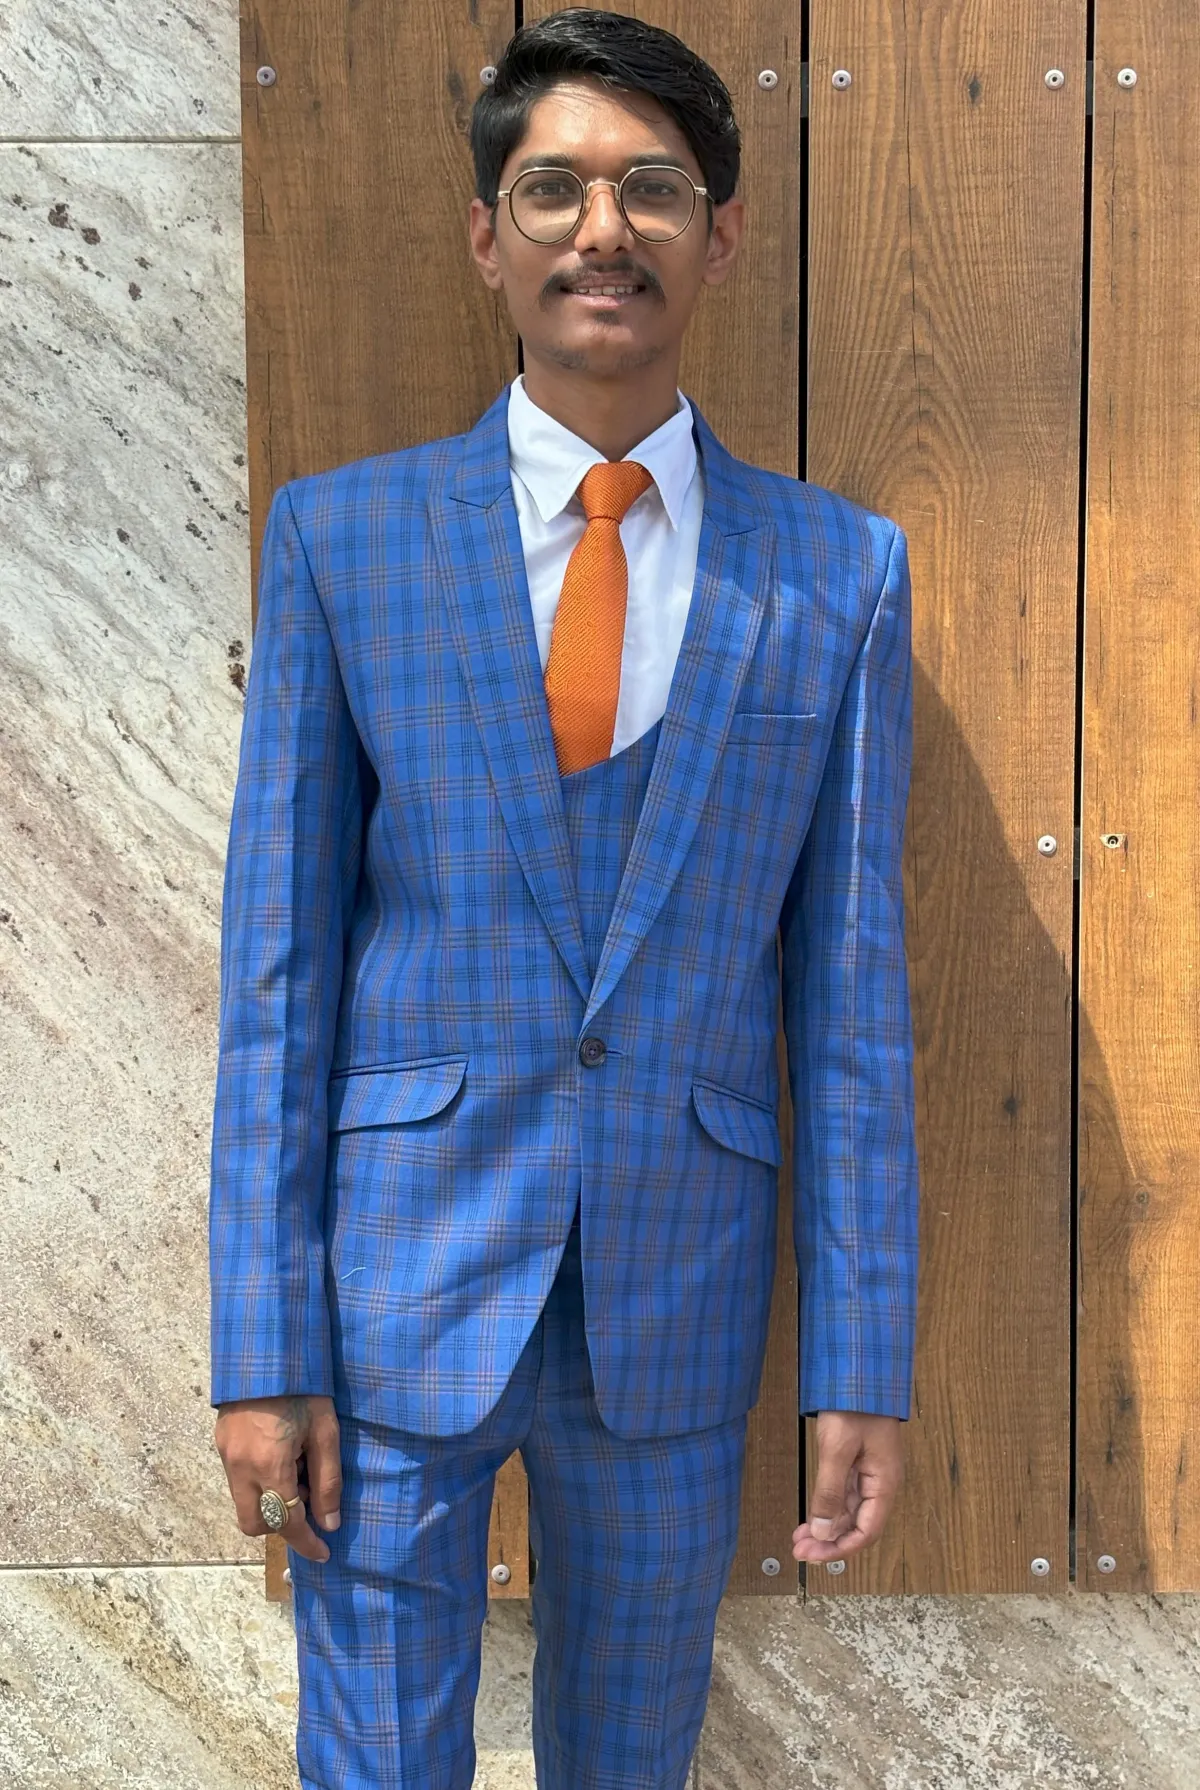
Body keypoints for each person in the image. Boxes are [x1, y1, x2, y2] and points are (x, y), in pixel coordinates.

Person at [208, 10, 919, 1788]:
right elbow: (279, 972)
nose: (605, 230)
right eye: (555, 190)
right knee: (374, 1761)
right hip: (391, 1297)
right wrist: (260, 1345)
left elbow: (850, 1005)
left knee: (631, 1757)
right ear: (487, 235)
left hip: (676, 1300)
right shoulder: (344, 541)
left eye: (653, 189)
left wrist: (861, 1360)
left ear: (720, 234)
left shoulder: (836, 572)